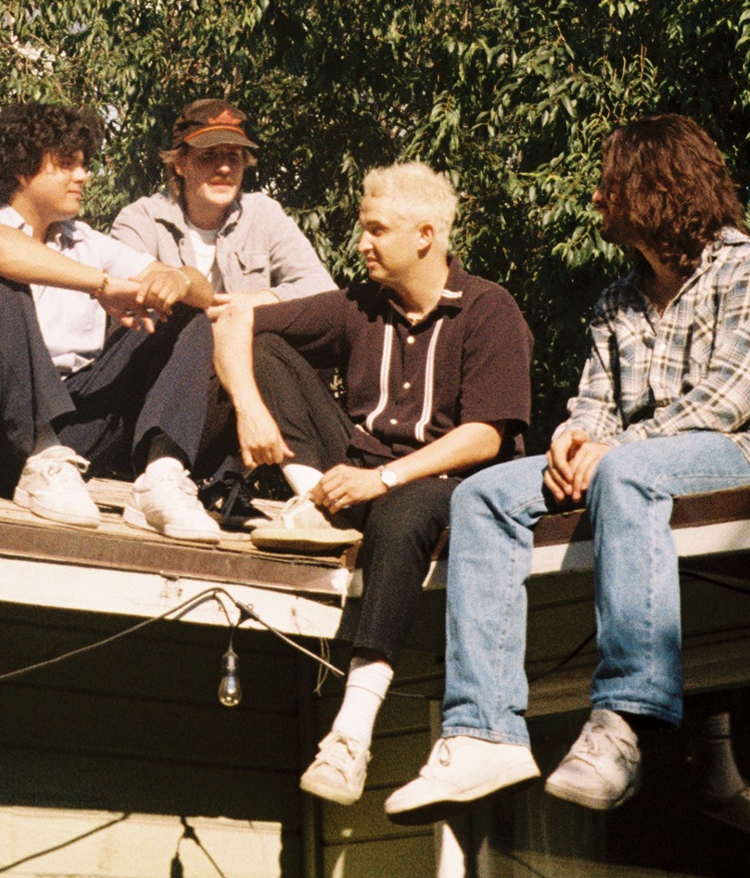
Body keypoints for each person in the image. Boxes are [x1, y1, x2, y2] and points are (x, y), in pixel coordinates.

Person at [385, 114, 750, 828]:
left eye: (608, 183)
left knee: (626, 475)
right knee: (484, 494)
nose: (594, 197)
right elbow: (592, 405)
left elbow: (726, 401)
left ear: (654, 187)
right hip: (637, 460)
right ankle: (481, 730)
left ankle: (624, 718)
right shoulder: (616, 299)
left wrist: (610, 451)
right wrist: (572, 441)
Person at [211, 162, 533, 807]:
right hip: (352, 479)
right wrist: (249, 408)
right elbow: (231, 320)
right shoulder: (360, 305)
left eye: (377, 230)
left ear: (425, 235)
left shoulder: (488, 308)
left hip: (447, 487)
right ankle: (313, 501)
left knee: (402, 511)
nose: (362, 243)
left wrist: (382, 478)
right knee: (266, 350)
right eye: (364, 228)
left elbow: (485, 438)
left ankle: (351, 735)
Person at [0, 100, 226, 540]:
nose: (83, 176)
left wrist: (176, 279)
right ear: (21, 169)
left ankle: (162, 477)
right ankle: (41, 453)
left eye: (84, 164)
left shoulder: (86, 242)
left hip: (68, 443)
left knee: (184, 317)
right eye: (66, 164)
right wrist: (100, 285)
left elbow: (203, 292)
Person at [109, 100, 336, 301]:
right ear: (179, 164)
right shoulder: (142, 220)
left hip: (245, 335)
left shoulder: (263, 214)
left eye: (233, 156)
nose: (224, 168)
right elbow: (123, 299)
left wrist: (252, 304)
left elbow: (322, 289)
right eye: (208, 156)